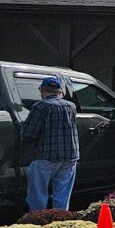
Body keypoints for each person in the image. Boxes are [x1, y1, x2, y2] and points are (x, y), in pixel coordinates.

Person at [20, 76, 79, 211]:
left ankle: (38, 223)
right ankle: (60, 223)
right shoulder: (71, 106)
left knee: (38, 196)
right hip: (70, 157)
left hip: (45, 156)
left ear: (42, 90)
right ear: (60, 91)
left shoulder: (40, 106)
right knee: (62, 197)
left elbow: (28, 133)